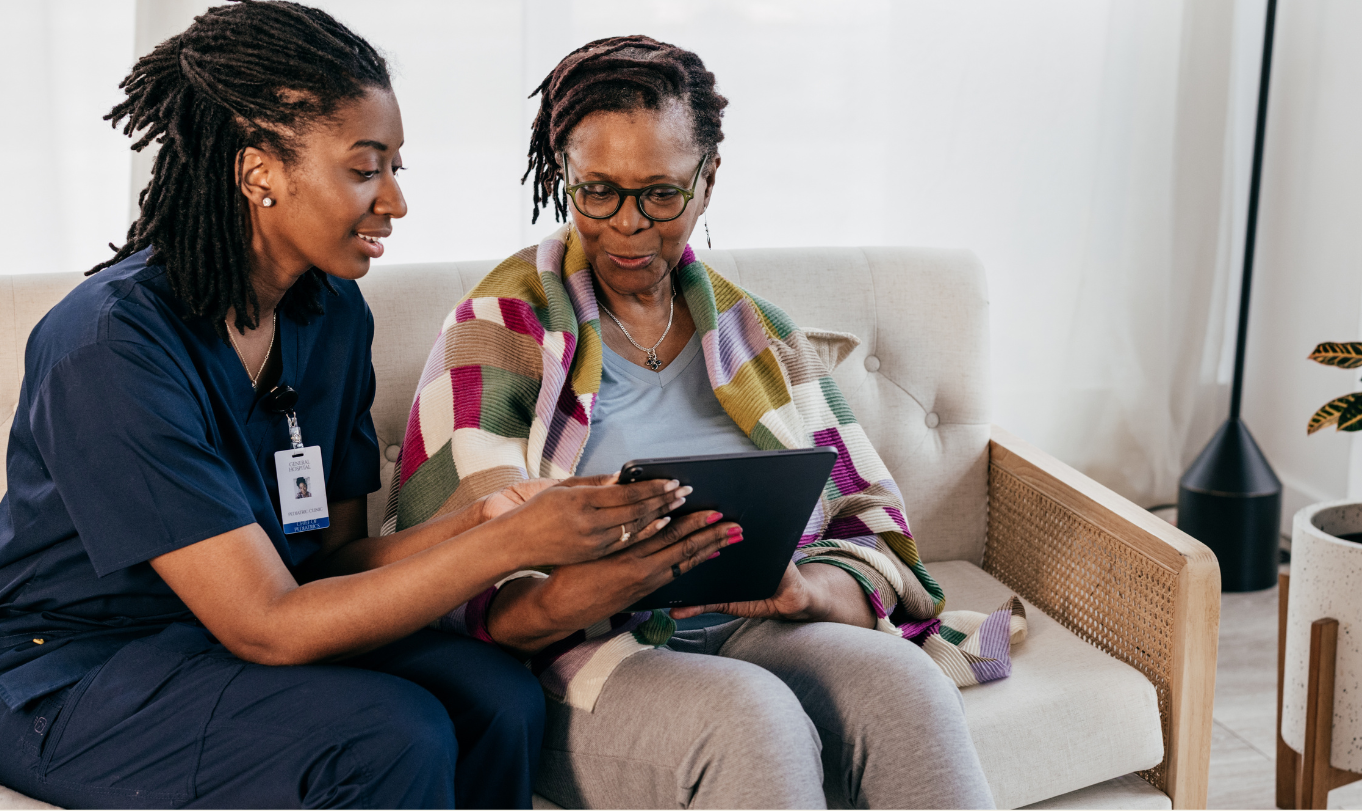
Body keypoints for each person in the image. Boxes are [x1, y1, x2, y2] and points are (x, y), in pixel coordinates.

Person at [0, 6, 730, 809]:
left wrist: (496, 517)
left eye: (396, 168)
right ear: (259, 173)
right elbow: (267, 623)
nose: (395, 201)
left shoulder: (332, 316)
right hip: (67, 669)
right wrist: (511, 545)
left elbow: (329, 563)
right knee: (390, 731)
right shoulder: (110, 347)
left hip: (220, 641)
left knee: (499, 697)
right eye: (364, 168)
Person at [389, 36, 1012, 809]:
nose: (628, 225)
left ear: (707, 182)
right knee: (751, 718)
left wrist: (802, 592)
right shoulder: (501, 329)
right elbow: (462, 587)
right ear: (563, 179)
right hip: (584, 652)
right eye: (598, 192)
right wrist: (604, 580)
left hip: (759, 628)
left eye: (660, 193)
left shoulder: (758, 334)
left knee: (906, 687)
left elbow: (876, 539)